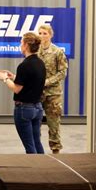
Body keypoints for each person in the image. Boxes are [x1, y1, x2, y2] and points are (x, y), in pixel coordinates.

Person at [0, 32, 46, 154]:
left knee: (29, 146)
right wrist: (13, 76)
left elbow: (17, 89)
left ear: (26, 45)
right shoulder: (40, 63)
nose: (20, 45)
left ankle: (34, 170)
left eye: (21, 42)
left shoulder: (24, 65)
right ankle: (44, 166)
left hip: (24, 109)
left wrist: (5, 78)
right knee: (37, 142)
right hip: (38, 108)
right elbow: (30, 81)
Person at [37, 24, 68, 154]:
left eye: (45, 33)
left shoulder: (57, 52)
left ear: (50, 35)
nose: (42, 36)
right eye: (40, 33)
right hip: (37, 93)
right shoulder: (35, 51)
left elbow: (62, 72)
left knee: (53, 123)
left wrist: (47, 82)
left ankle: (55, 150)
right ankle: (36, 150)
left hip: (53, 93)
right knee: (35, 123)